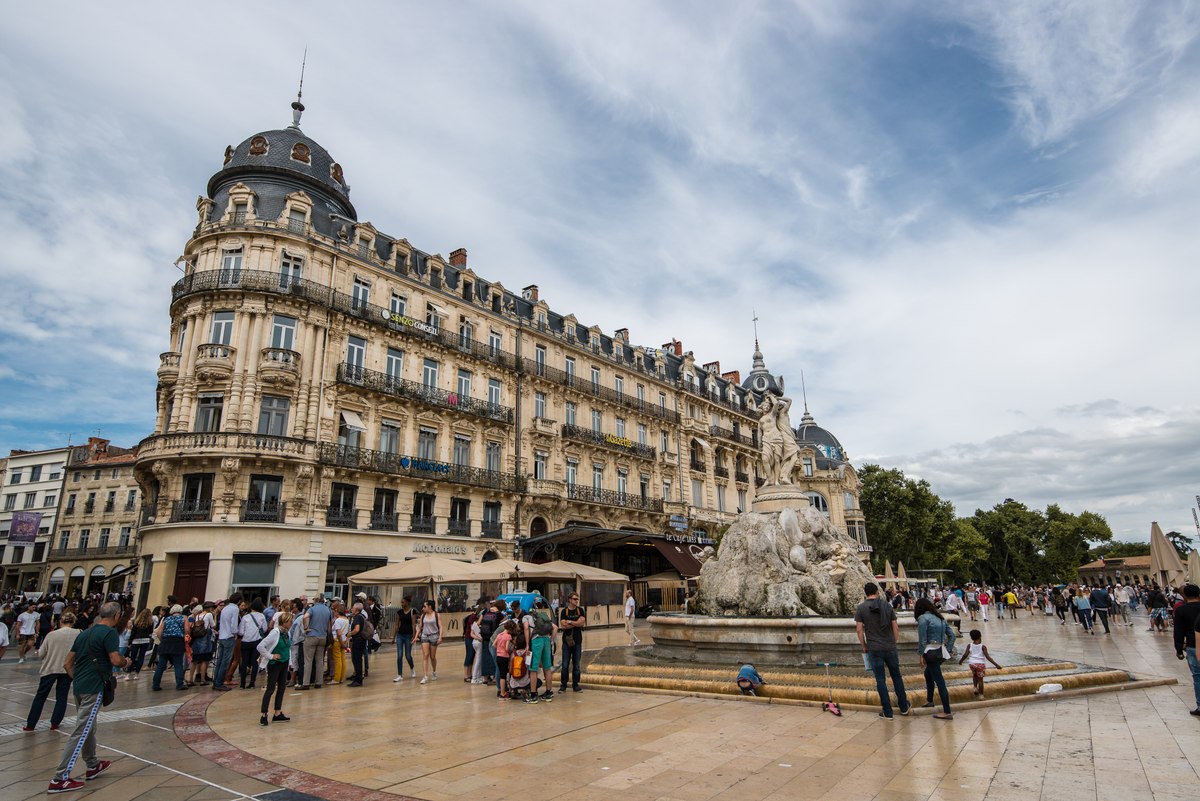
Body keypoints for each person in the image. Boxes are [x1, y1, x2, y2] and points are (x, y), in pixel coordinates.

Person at [47, 600, 129, 794]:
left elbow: (67, 663)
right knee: (82, 729)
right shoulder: (109, 633)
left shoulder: (85, 633)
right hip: (94, 687)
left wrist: (80, 679)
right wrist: (127, 661)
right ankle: (60, 777)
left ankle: (93, 764)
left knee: (88, 726)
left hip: (79, 686)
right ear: (116, 616)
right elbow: (116, 659)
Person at [854, 582, 911, 719]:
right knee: (896, 676)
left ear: (865, 593)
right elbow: (895, 627)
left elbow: (859, 629)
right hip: (890, 646)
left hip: (874, 648)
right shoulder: (887, 605)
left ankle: (888, 711)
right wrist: (894, 641)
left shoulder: (861, 608)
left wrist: (864, 645)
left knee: (880, 679)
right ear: (877, 591)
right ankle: (904, 706)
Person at [23, 611, 78, 732]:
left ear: (61, 621)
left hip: (50, 668)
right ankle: (55, 723)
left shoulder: (52, 634)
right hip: (67, 669)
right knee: (62, 697)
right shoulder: (79, 633)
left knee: (41, 696)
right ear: (73, 622)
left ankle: (31, 724)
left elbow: (42, 653)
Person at [915, 597, 955, 720]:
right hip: (940, 651)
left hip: (930, 652)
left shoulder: (923, 618)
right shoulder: (941, 618)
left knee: (940, 681)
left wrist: (921, 655)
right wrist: (947, 649)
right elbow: (952, 636)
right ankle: (930, 700)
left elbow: (922, 640)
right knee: (928, 674)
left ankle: (947, 711)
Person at [257, 611, 293, 726]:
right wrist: (271, 656)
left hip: (284, 662)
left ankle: (277, 713)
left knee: (282, 687)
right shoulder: (275, 632)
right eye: (290, 621)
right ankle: (264, 714)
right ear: (285, 622)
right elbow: (261, 646)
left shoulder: (287, 633)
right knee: (270, 688)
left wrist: (290, 663)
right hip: (275, 663)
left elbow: (288, 648)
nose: (291, 623)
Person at [1173, 584, 1200, 716]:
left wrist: (1178, 649)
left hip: (1192, 646)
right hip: (1193, 644)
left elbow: (1178, 631)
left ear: (1184, 595)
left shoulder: (1181, 610)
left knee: (1197, 676)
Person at [959, 628, 1003, 699]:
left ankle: (975, 687)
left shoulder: (969, 645)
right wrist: (996, 665)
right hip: (980, 665)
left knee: (974, 675)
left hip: (972, 664)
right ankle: (981, 695)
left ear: (971, 638)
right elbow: (988, 657)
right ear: (980, 637)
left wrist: (960, 661)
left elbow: (965, 655)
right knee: (980, 680)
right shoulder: (983, 646)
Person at [152, 604, 187, 691]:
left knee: (161, 665)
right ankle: (179, 684)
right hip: (177, 641)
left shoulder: (167, 619)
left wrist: (163, 640)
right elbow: (187, 630)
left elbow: (159, 632)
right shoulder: (183, 618)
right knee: (178, 664)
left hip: (165, 642)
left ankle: (155, 684)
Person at [212, 593, 242, 691]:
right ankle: (219, 683)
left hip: (222, 636)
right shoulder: (235, 609)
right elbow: (234, 624)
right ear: (238, 601)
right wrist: (235, 633)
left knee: (220, 660)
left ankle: (216, 681)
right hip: (229, 636)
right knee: (225, 661)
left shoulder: (225, 608)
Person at [527, 599, 556, 702]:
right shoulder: (544, 615)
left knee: (533, 669)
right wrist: (550, 641)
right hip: (546, 640)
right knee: (547, 668)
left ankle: (533, 695)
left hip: (536, 640)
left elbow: (526, 629)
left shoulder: (529, 616)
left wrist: (527, 644)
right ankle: (549, 692)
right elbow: (555, 627)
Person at [300, 595, 331, 690]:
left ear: (316, 600)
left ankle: (306, 683)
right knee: (320, 660)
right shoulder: (328, 610)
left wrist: (306, 628)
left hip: (312, 635)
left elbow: (305, 617)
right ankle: (319, 682)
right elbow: (330, 625)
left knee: (308, 660)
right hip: (323, 636)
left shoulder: (312, 609)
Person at [558, 591, 586, 694]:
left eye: (577, 599)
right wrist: (576, 623)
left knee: (576, 664)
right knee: (565, 664)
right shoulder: (564, 611)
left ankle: (576, 685)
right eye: (575, 599)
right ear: (569, 600)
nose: (576, 601)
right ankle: (563, 685)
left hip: (578, 641)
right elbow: (563, 625)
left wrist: (570, 622)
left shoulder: (580, 610)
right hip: (566, 641)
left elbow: (582, 622)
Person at [238, 599, 269, 689]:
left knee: (244, 662)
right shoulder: (262, 616)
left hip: (246, 641)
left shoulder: (245, 617)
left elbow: (240, 632)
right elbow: (265, 629)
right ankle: (252, 683)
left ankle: (242, 683)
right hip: (257, 641)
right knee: (255, 662)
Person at [417, 599, 442, 684]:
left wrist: (440, 637)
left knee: (432, 657)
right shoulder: (423, 616)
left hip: (434, 636)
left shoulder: (436, 615)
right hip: (424, 636)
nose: (423, 608)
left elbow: (441, 626)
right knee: (425, 655)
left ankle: (434, 671)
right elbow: (420, 627)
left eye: (425, 606)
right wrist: (416, 637)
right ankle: (425, 676)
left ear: (429, 607)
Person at [394, 596, 416, 682]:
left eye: (403, 602)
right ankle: (399, 674)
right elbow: (396, 624)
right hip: (400, 635)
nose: (402, 604)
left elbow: (413, 624)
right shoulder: (399, 612)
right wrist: (394, 636)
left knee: (408, 655)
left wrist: (414, 635)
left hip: (408, 635)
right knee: (399, 655)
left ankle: (412, 668)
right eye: (401, 602)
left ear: (407, 602)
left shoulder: (412, 612)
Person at [347, 602, 368, 687]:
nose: (351, 609)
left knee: (357, 659)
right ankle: (358, 678)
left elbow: (357, 629)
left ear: (356, 609)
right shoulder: (362, 617)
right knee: (358, 659)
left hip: (358, 640)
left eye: (353, 608)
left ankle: (358, 680)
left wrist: (350, 634)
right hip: (362, 640)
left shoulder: (357, 618)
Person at [495, 619, 516, 699]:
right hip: (504, 657)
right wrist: (508, 651)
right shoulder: (508, 636)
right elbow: (507, 648)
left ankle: (501, 691)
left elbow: (494, 644)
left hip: (498, 656)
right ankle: (503, 693)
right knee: (504, 676)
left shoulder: (499, 635)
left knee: (501, 675)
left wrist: (499, 649)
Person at [329, 603, 349, 685]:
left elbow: (339, 633)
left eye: (334, 611)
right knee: (343, 659)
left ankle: (336, 678)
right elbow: (347, 633)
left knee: (337, 660)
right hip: (344, 640)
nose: (333, 613)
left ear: (337, 612)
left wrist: (340, 642)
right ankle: (342, 678)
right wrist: (345, 643)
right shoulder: (347, 620)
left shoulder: (338, 621)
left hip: (337, 641)